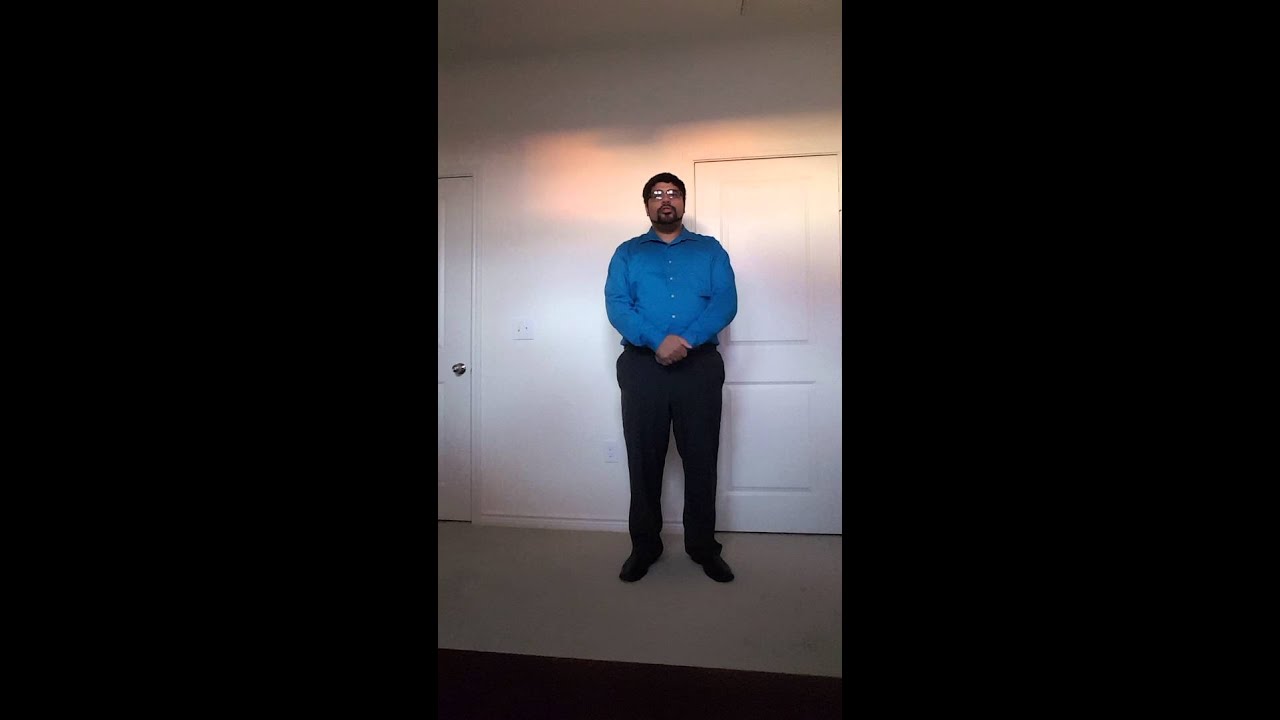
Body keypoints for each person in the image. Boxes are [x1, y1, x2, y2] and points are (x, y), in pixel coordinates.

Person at [604, 172, 738, 583]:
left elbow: (725, 301)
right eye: (657, 194)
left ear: (683, 202)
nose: (666, 199)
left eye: (674, 193)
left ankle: (703, 547)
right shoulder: (627, 253)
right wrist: (656, 340)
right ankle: (645, 547)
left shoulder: (710, 250)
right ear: (646, 204)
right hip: (642, 367)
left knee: (701, 459)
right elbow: (617, 305)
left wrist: (687, 340)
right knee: (643, 459)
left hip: (699, 367)